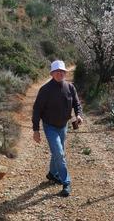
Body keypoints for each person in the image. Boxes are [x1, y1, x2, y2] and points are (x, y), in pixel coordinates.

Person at [32, 60, 83, 197]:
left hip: (63, 125)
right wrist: (35, 130)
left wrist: (78, 115)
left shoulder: (70, 87)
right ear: (52, 73)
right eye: (57, 71)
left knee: (58, 152)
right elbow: (36, 110)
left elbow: (77, 104)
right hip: (50, 127)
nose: (60, 73)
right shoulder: (45, 90)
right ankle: (66, 183)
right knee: (59, 153)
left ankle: (52, 174)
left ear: (65, 73)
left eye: (62, 71)